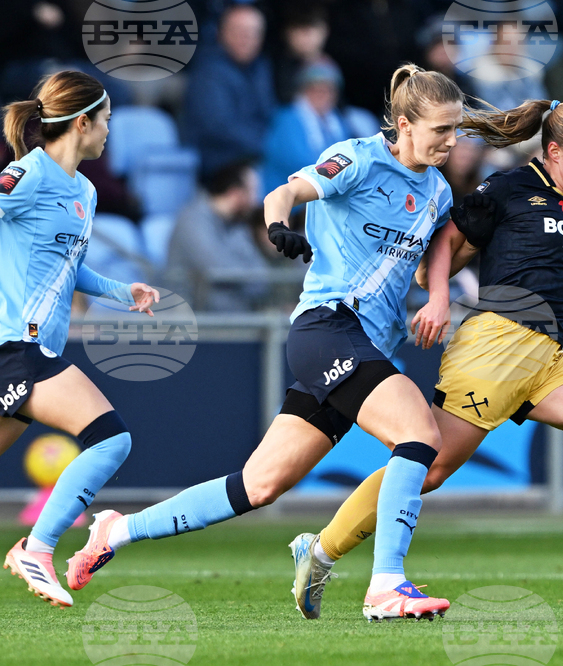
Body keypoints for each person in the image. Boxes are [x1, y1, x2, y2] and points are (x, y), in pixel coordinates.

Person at [68, 64, 465, 623]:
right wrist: (280, 223)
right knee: (420, 436)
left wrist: (441, 296)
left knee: (258, 485)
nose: (451, 142)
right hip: (328, 328)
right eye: (441, 130)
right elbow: (287, 189)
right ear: (403, 123)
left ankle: (118, 529)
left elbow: (442, 238)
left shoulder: (437, 188)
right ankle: (387, 584)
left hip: (363, 346)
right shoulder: (358, 157)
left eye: (456, 131)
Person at [294, 98, 563, 620]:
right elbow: (445, 244)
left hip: (548, 356)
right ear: (553, 151)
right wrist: (437, 296)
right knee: (428, 468)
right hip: (496, 349)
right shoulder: (508, 187)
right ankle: (319, 552)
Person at [0, 70, 159, 608]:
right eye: (107, 119)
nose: (111, 130)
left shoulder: (85, 191)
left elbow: (70, 267)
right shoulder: (28, 173)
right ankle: (37, 550)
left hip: (34, 349)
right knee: (112, 438)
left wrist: (122, 290)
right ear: (82, 122)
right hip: (14, 346)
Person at [262, 59, 380, 195]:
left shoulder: (338, 121)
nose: (322, 94)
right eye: (315, 88)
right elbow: (299, 163)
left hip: (325, 193)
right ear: (304, 90)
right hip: (291, 198)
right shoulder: (287, 119)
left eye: (328, 89)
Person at [184, 3, 275, 177]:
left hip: (257, 157)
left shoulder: (260, 67)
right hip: (220, 164)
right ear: (221, 33)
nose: (246, 39)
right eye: (239, 31)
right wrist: (270, 145)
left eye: (253, 33)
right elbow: (219, 128)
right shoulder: (208, 71)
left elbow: (269, 114)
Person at [164, 158, 269, 311]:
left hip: (232, 318)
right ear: (235, 193)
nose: (256, 201)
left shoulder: (237, 225)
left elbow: (263, 275)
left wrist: (247, 279)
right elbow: (219, 272)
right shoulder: (192, 220)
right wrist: (248, 278)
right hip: (192, 321)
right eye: (253, 192)